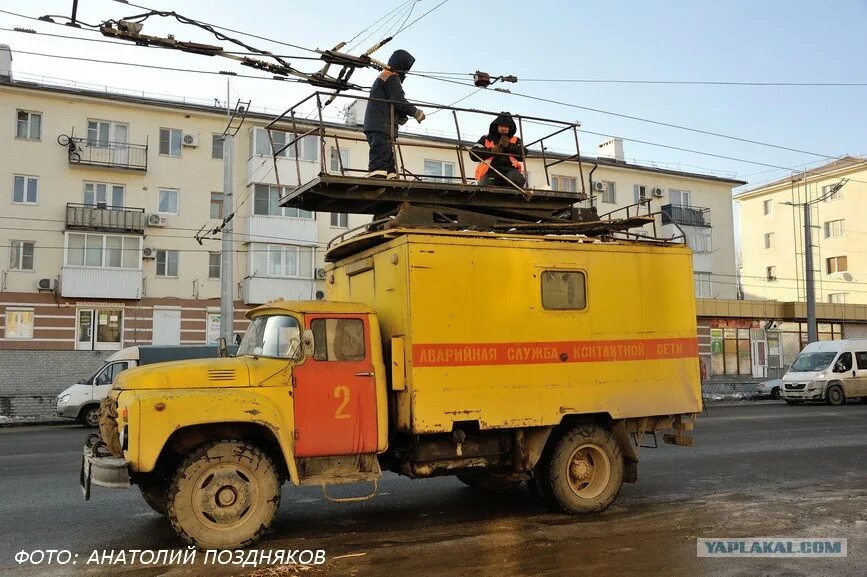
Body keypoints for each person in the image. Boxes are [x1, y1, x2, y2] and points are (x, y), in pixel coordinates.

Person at [363, 49, 425, 179]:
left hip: (378, 125)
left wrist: (400, 116)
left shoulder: (384, 76)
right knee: (379, 168)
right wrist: (416, 112)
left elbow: (390, 102)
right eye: (406, 69)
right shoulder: (391, 77)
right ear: (401, 65)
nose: (406, 73)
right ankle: (378, 182)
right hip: (382, 127)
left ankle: (391, 178)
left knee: (388, 166)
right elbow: (398, 100)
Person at [470, 112, 526, 187]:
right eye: (502, 125)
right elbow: (473, 153)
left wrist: (509, 145)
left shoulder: (516, 140)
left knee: (516, 179)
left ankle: (511, 197)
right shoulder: (486, 138)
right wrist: (491, 151)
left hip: (510, 171)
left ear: (510, 128)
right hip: (491, 173)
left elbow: (524, 154)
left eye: (506, 126)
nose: (504, 128)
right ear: (496, 126)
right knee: (486, 185)